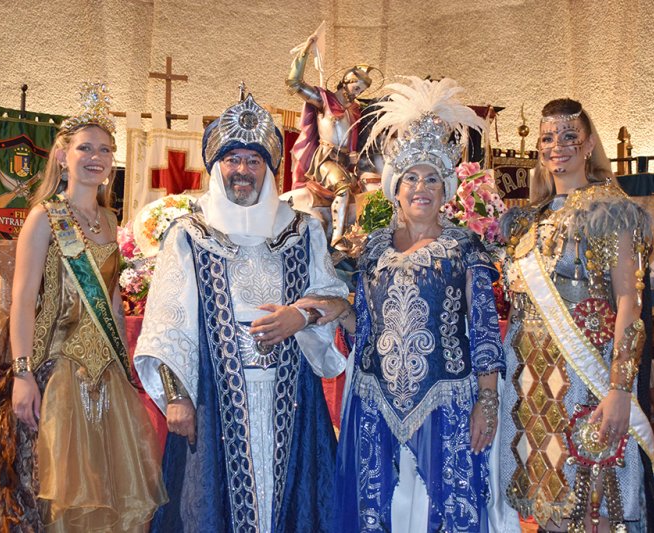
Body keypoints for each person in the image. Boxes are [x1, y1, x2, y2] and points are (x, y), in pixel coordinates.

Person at [134, 94, 349, 533]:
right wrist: (177, 396)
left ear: (269, 170)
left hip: (291, 395)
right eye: (233, 159)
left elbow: (335, 297)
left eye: (254, 160)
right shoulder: (189, 235)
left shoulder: (302, 230)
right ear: (216, 167)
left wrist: (301, 316)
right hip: (216, 396)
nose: (243, 171)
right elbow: (167, 320)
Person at [298, 76, 503, 532]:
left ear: (447, 188)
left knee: (449, 509)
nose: (421, 188)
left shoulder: (466, 247)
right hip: (374, 396)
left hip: (447, 396)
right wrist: (340, 311)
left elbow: (486, 332)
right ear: (395, 186)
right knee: (377, 512)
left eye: (432, 178)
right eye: (411, 177)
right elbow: (366, 329)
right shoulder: (370, 248)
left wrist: (486, 400)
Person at [0, 82, 166, 532]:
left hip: (106, 375)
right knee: (55, 494)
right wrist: (22, 376)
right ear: (63, 156)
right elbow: (21, 302)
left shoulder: (109, 219)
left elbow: (113, 297)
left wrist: (125, 364)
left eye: (104, 148)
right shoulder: (44, 216)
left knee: (108, 489)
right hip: (55, 370)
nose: (95, 157)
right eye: (85, 148)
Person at [498, 98, 654, 531]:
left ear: (590, 143)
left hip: (586, 381)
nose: (559, 145)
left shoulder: (612, 212)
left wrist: (619, 389)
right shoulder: (525, 223)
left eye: (570, 136)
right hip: (531, 383)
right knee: (549, 506)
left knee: (597, 509)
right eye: (548, 137)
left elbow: (629, 306)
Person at [287, 32, 373, 248]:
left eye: (361, 90)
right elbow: (294, 83)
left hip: (346, 162)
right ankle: (337, 238)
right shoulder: (324, 100)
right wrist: (306, 49)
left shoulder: (354, 110)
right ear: (346, 81)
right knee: (343, 189)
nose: (357, 93)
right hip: (326, 161)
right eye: (356, 88)